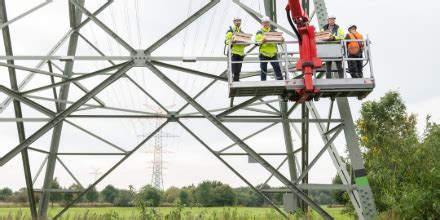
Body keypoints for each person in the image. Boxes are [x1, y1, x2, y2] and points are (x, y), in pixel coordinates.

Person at [255, 16, 283, 81]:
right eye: (264, 23)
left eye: (267, 23)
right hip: (263, 54)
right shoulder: (259, 32)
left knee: (277, 68)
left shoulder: (273, 32)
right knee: (263, 69)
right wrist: (262, 41)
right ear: (262, 24)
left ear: (269, 23)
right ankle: (263, 82)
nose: (266, 24)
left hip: (273, 54)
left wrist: (282, 39)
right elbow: (257, 42)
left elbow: (279, 40)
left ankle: (280, 80)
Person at [225, 17, 247, 81]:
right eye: (236, 21)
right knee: (233, 68)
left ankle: (237, 80)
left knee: (238, 69)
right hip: (233, 52)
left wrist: (246, 44)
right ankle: (233, 80)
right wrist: (232, 41)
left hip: (240, 53)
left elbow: (243, 44)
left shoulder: (242, 33)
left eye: (239, 21)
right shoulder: (230, 31)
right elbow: (226, 41)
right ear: (234, 22)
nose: (238, 22)